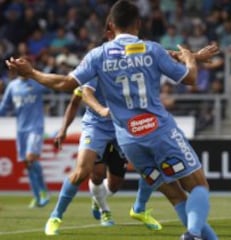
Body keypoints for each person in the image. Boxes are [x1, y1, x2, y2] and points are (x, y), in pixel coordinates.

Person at [6, 1, 218, 239]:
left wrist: (32, 73)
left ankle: (187, 230)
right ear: (139, 23)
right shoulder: (152, 49)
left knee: (176, 197)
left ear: (110, 26)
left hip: (128, 140)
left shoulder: (98, 56)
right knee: (199, 188)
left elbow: (66, 84)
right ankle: (191, 232)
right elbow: (189, 78)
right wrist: (190, 58)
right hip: (157, 131)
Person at [53, 81, 162, 230]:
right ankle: (103, 211)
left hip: (122, 130)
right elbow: (74, 103)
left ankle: (104, 201)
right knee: (94, 174)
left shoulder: (127, 74)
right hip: (96, 129)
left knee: (116, 184)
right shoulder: (90, 74)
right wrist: (63, 129)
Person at [0, 74, 50, 208]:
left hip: (36, 127)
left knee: (30, 158)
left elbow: (52, 86)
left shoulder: (36, 82)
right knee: (27, 164)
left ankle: (44, 191)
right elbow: (4, 109)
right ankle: (37, 197)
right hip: (21, 129)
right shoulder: (12, 86)